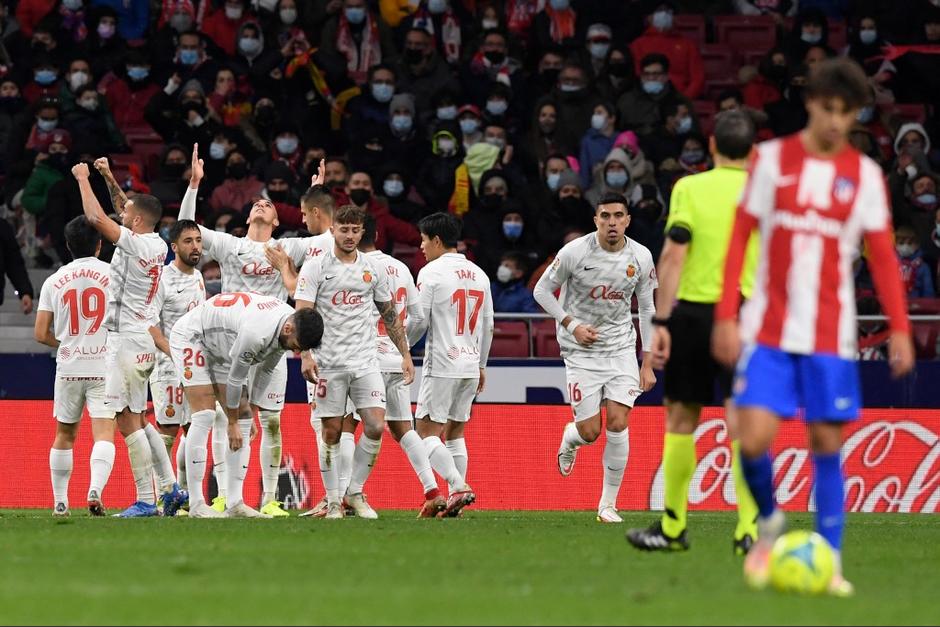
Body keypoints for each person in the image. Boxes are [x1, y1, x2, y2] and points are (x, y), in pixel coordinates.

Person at [711, 58, 915, 597]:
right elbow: (739, 238)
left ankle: (832, 562)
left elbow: (884, 258)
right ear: (810, 104)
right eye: (828, 109)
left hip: (831, 334)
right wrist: (726, 315)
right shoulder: (772, 160)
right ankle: (771, 520)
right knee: (751, 438)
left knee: (827, 442)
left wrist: (899, 327)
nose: (834, 121)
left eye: (846, 113)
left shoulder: (865, 176)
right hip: (769, 330)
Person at [626, 111, 761, 554]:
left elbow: (674, 255)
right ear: (754, 152)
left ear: (712, 146)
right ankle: (749, 529)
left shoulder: (690, 187)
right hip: (749, 314)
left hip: (697, 314)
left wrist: (660, 322)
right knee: (743, 421)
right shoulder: (770, 192)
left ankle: (674, 526)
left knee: (682, 418)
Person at [179, 145, 324, 517]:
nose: (261, 204)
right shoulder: (231, 245)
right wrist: (195, 185)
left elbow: (327, 240)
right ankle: (227, 496)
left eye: (269, 205)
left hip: (274, 344)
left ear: (276, 221)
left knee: (270, 421)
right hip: (231, 342)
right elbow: (185, 231)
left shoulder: (287, 247)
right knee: (225, 414)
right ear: (247, 217)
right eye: (256, 204)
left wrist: (315, 200)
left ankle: (271, 498)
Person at [534, 193, 657, 523]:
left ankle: (607, 505)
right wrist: (571, 325)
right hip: (581, 352)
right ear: (596, 220)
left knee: (618, 422)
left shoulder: (641, 257)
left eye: (619, 215)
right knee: (591, 431)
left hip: (620, 349)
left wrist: (647, 362)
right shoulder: (575, 252)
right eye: (605, 216)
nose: (612, 222)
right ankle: (570, 438)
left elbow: (646, 309)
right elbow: (541, 292)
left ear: (628, 220)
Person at [74, 160, 184, 518]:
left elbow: (95, 219)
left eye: (127, 214)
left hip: (125, 341)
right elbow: (124, 208)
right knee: (137, 418)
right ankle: (171, 489)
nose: (122, 213)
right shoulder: (156, 244)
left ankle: (145, 500)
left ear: (136, 222)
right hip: (142, 340)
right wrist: (108, 176)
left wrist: (83, 180)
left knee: (124, 419)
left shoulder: (136, 245)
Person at [293, 204, 414, 519]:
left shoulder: (373, 269)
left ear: (363, 233)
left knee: (375, 425)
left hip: (365, 362)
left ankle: (354, 493)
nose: (348, 235)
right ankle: (332, 501)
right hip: (328, 363)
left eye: (354, 230)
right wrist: (304, 353)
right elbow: (303, 312)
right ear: (332, 229)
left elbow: (389, 313)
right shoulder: (316, 266)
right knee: (331, 432)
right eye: (343, 229)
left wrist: (405, 354)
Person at [169, 292, 323, 517]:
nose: (296, 352)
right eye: (297, 346)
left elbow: (266, 370)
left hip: (222, 345)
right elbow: (236, 379)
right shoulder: (256, 333)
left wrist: (250, 412)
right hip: (194, 337)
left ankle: (235, 503)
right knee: (204, 415)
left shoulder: (286, 326)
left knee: (243, 417)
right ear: (289, 329)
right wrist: (231, 422)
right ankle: (196, 503)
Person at [333, 214, 446, 518]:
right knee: (402, 427)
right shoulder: (400, 267)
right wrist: (402, 347)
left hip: (361, 358)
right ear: (378, 235)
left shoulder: (353, 267)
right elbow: (419, 316)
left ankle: (344, 494)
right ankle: (432, 490)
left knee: (347, 423)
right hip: (394, 358)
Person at [407, 212, 492, 518]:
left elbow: (418, 321)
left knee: (426, 433)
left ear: (437, 240)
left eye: (424, 239)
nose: (421, 246)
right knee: (455, 434)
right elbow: (489, 324)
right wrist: (481, 365)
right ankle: (456, 502)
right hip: (470, 363)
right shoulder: (479, 274)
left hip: (442, 362)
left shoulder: (431, 273)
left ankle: (457, 486)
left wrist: (401, 346)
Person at [34, 216, 114, 516]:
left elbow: (41, 333)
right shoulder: (113, 275)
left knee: (64, 434)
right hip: (105, 365)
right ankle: (95, 490)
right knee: (104, 433)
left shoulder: (54, 280)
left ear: (67, 245)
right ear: (99, 244)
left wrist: (67, 343)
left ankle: (60, 501)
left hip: (69, 367)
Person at [147, 219, 207, 503]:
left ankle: (187, 495)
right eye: (188, 241)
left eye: (198, 240)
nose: (195, 246)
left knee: (194, 429)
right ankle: (159, 495)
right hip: (168, 368)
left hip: (194, 366)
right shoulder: (162, 279)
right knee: (168, 430)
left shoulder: (198, 277)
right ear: (174, 247)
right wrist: (174, 352)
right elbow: (150, 325)